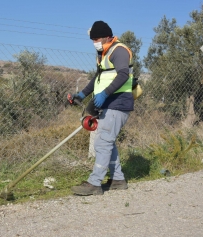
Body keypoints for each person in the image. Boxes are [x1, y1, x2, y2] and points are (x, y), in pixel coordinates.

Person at [71, 20, 134, 195]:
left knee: (103, 142)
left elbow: (123, 74)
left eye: (97, 38)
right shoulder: (104, 53)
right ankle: (118, 180)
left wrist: (105, 93)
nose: (94, 42)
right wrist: (82, 94)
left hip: (118, 102)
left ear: (107, 36)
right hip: (109, 103)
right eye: (92, 40)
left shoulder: (119, 51)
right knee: (108, 141)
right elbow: (98, 78)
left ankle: (94, 183)